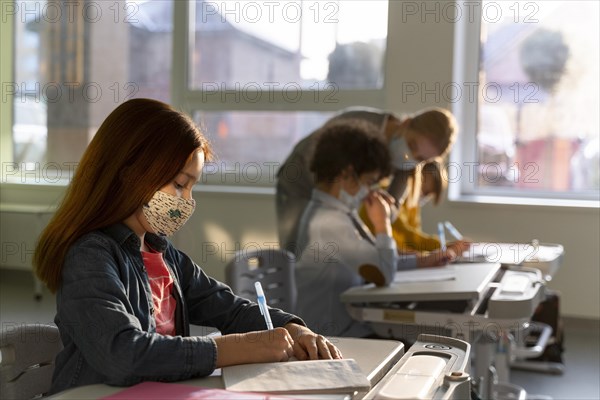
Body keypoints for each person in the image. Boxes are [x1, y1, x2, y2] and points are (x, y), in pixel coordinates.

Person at [33, 98, 341, 395]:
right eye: (180, 184)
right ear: (130, 173)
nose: (187, 201)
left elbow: (229, 308)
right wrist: (237, 347)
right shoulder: (90, 256)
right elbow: (123, 355)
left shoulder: (166, 256)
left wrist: (293, 327)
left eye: (191, 187)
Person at [293, 119, 467, 338]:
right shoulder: (329, 222)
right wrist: (382, 224)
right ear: (346, 174)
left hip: (350, 325)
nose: (369, 191)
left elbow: (377, 260)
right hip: (333, 336)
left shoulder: (340, 212)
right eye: (368, 182)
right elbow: (383, 273)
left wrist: (425, 260)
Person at [276, 106, 458, 253]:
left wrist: (383, 214)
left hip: (334, 199)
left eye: (421, 159)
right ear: (406, 123)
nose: (411, 157)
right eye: (412, 145)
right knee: (296, 251)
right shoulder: (360, 126)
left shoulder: (407, 165)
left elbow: (390, 210)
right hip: (300, 180)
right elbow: (321, 164)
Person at [360, 161, 447, 253]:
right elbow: (406, 234)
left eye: (427, 194)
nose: (422, 195)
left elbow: (414, 239)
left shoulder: (413, 204)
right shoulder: (386, 196)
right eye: (423, 189)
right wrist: (443, 245)